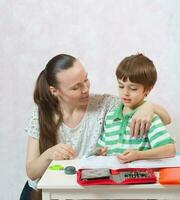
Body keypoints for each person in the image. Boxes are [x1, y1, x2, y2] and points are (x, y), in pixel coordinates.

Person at [20, 54, 171, 200]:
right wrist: (49, 154)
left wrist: (149, 107)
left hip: (81, 192)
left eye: (86, 79)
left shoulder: (103, 105)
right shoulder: (41, 114)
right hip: (42, 193)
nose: (85, 89)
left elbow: (165, 119)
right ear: (55, 91)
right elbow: (32, 172)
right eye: (75, 87)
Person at [97, 53, 176, 162]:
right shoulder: (110, 117)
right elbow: (101, 148)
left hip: (140, 176)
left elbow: (169, 150)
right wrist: (100, 152)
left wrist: (138, 155)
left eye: (133, 88)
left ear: (148, 90)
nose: (125, 92)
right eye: (121, 86)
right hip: (113, 176)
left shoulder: (148, 117)